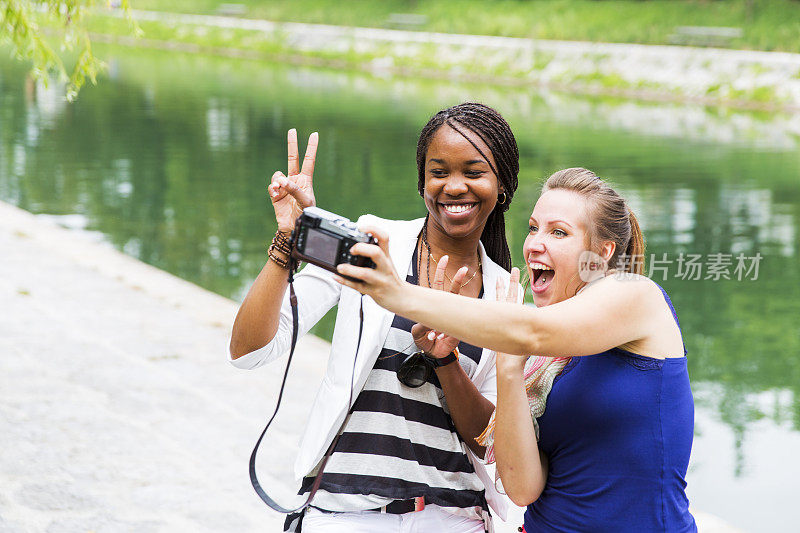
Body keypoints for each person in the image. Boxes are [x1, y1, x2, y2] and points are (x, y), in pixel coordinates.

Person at [335, 167, 698, 532]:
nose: (535, 243)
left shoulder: (635, 294)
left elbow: (530, 330)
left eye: (558, 232)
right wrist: (509, 367)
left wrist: (400, 294)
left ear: (601, 254)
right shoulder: (548, 358)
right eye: (533, 227)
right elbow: (522, 488)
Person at [229, 102, 522, 532]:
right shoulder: (372, 245)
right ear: (422, 181)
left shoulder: (504, 297)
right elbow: (249, 350)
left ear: (502, 185)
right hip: (342, 513)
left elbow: (491, 440)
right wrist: (287, 241)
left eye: (474, 172)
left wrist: (446, 362)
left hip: (451, 520)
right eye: (439, 172)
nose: (454, 187)